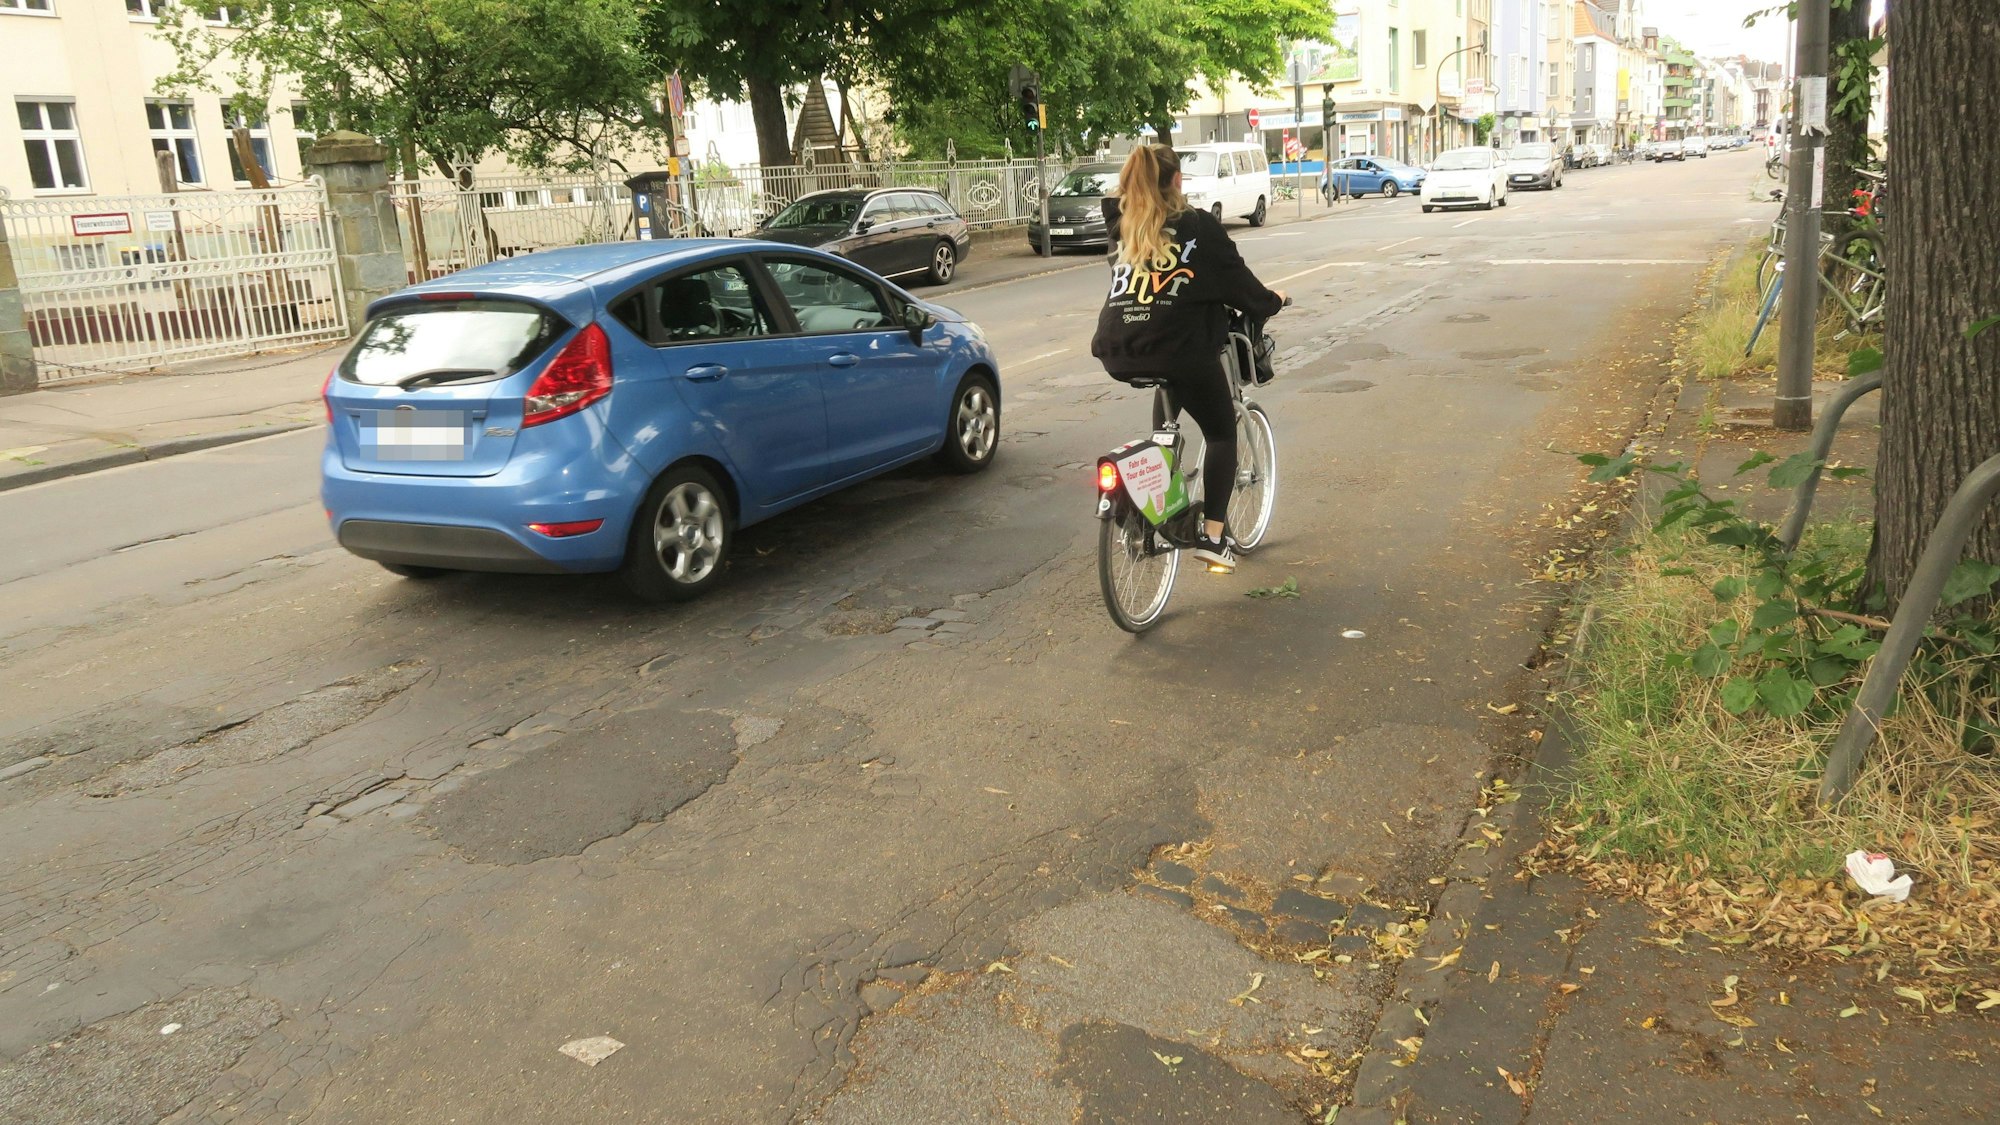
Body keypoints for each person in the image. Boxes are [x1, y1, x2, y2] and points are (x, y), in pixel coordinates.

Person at [1091, 144, 1287, 575]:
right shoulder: (1198, 226)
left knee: (1166, 423)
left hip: (1121, 348)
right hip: (1179, 348)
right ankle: (1214, 539)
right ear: (1178, 180)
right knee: (1220, 433)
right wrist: (1271, 301)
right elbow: (1239, 284)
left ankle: (1156, 503)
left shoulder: (1123, 227)